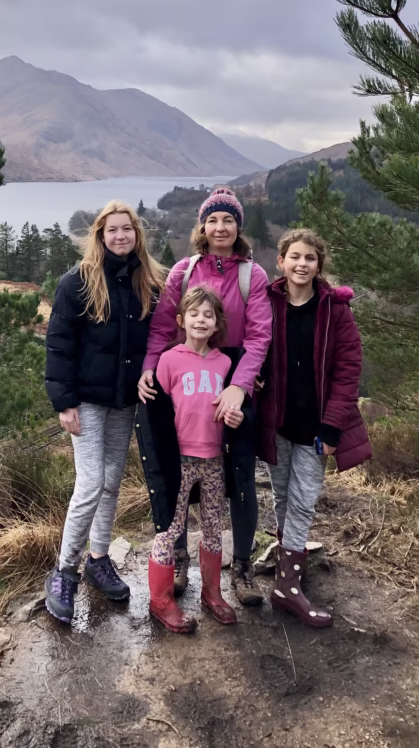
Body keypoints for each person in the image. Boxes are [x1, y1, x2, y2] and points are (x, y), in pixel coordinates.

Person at [138, 187, 272, 606]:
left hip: (232, 373)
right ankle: (178, 558)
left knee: (240, 478)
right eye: (213, 220)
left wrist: (240, 384)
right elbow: (163, 326)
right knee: (175, 472)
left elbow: (259, 335)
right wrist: (149, 366)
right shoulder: (183, 270)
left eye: (228, 220)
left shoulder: (253, 275)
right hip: (184, 373)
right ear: (202, 226)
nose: (220, 227)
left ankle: (243, 567)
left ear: (238, 227)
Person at [43, 201, 165, 623]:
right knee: (91, 483)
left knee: (112, 481)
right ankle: (64, 571)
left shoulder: (147, 281)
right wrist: (64, 402)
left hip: (125, 400)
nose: (119, 236)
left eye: (126, 229)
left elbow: (160, 339)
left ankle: (99, 558)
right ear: (99, 235)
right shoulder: (77, 282)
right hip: (87, 401)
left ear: (137, 234)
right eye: (111, 230)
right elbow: (59, 344)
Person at [257, 229, 371, 627]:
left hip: (316, 427)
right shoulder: (267, 303)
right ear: (281, 261)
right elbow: (255, 349)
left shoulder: (334, 309)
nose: (302, 264)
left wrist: (333, 426)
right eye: (295, 256)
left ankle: (287, 587)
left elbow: (348, 370)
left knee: (304, 499)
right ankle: (288, 562)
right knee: (283, 496)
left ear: (319, 265)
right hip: (278, 421)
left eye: (310, 258)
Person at [147, 286, 240, 633]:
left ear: (217, 324)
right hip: (179, 461)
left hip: (214, 460)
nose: (201, 320)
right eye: (194, 314)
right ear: (180, 320)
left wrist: (237, 418)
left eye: (208, 315)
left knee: (214, 528)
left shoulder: (226, 363)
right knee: (170, 529)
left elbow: (236, 407)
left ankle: (212, 594)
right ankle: (160, 601)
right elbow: (157, 412)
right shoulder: (169, 360)